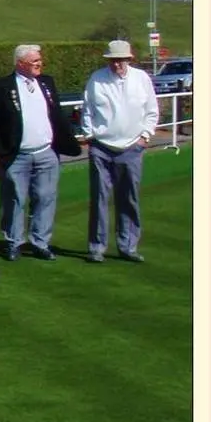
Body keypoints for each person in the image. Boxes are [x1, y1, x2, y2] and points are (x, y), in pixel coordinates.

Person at [0, 44, 82, 261]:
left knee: (45, 198)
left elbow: (56, 114)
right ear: (20, 64)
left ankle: (40, 242)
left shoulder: (47, 82)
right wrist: (1, 151)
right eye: (34, 61)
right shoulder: (2, 86)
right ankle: (13, 242)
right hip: (17, 156)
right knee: (14, 200)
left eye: (39, 60)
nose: (39, 64)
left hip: (46, 152)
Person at [80, 40, 159, 263]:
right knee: (99, 199)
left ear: (129, 59)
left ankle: (128, 246)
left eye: (120, 60)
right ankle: (97, 247)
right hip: (102, 148)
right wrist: (90, 135)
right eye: (113, 60)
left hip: (132, 148)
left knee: (129, 198)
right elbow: (87, 110)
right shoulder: (97, 79)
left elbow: (151, 111)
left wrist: (145, 136)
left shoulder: (141, 79)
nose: (117, 64)